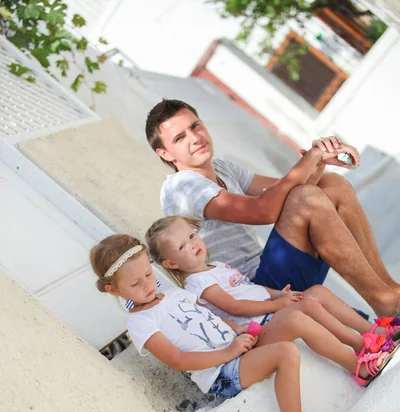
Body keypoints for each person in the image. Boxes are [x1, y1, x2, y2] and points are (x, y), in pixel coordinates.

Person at [90, 233, 340, 412]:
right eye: (135, 284)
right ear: (114, 290)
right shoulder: (141, 322)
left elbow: (208, 317)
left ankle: (359, 360)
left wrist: (236, 328)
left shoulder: (175, 295)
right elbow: (176, 359)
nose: (146, 284)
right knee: (286, 353)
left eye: (148, 274)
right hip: (221, 373)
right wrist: (228, 352)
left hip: (237, 347)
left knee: (294, 316)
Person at [145, 98, 400, 317]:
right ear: (165, 153)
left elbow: (291, 191)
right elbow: (264, 211)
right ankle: (386, 302)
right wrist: (308, 158)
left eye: (195, 126)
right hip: (253, 293)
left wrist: (319, 161)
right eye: (180, 138)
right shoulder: (182, 186)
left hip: (273, 273)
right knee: (307, 197)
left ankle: (389, 292)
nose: (195, 138)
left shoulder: (222, 167)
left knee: (332, 185)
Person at [145, 215, 398, 386]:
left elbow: (251, 289)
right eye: (181, 247)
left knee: (316, 292)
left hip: (270, 313)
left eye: (191, 236)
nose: (191, 245)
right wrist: (277, 305)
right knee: (307, 306)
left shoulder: (216, 266)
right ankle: (360, 352)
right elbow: (236, 307)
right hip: (258, 330)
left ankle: (375, 331)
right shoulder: (197, 283)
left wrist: (279, 295)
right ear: (170, 264)